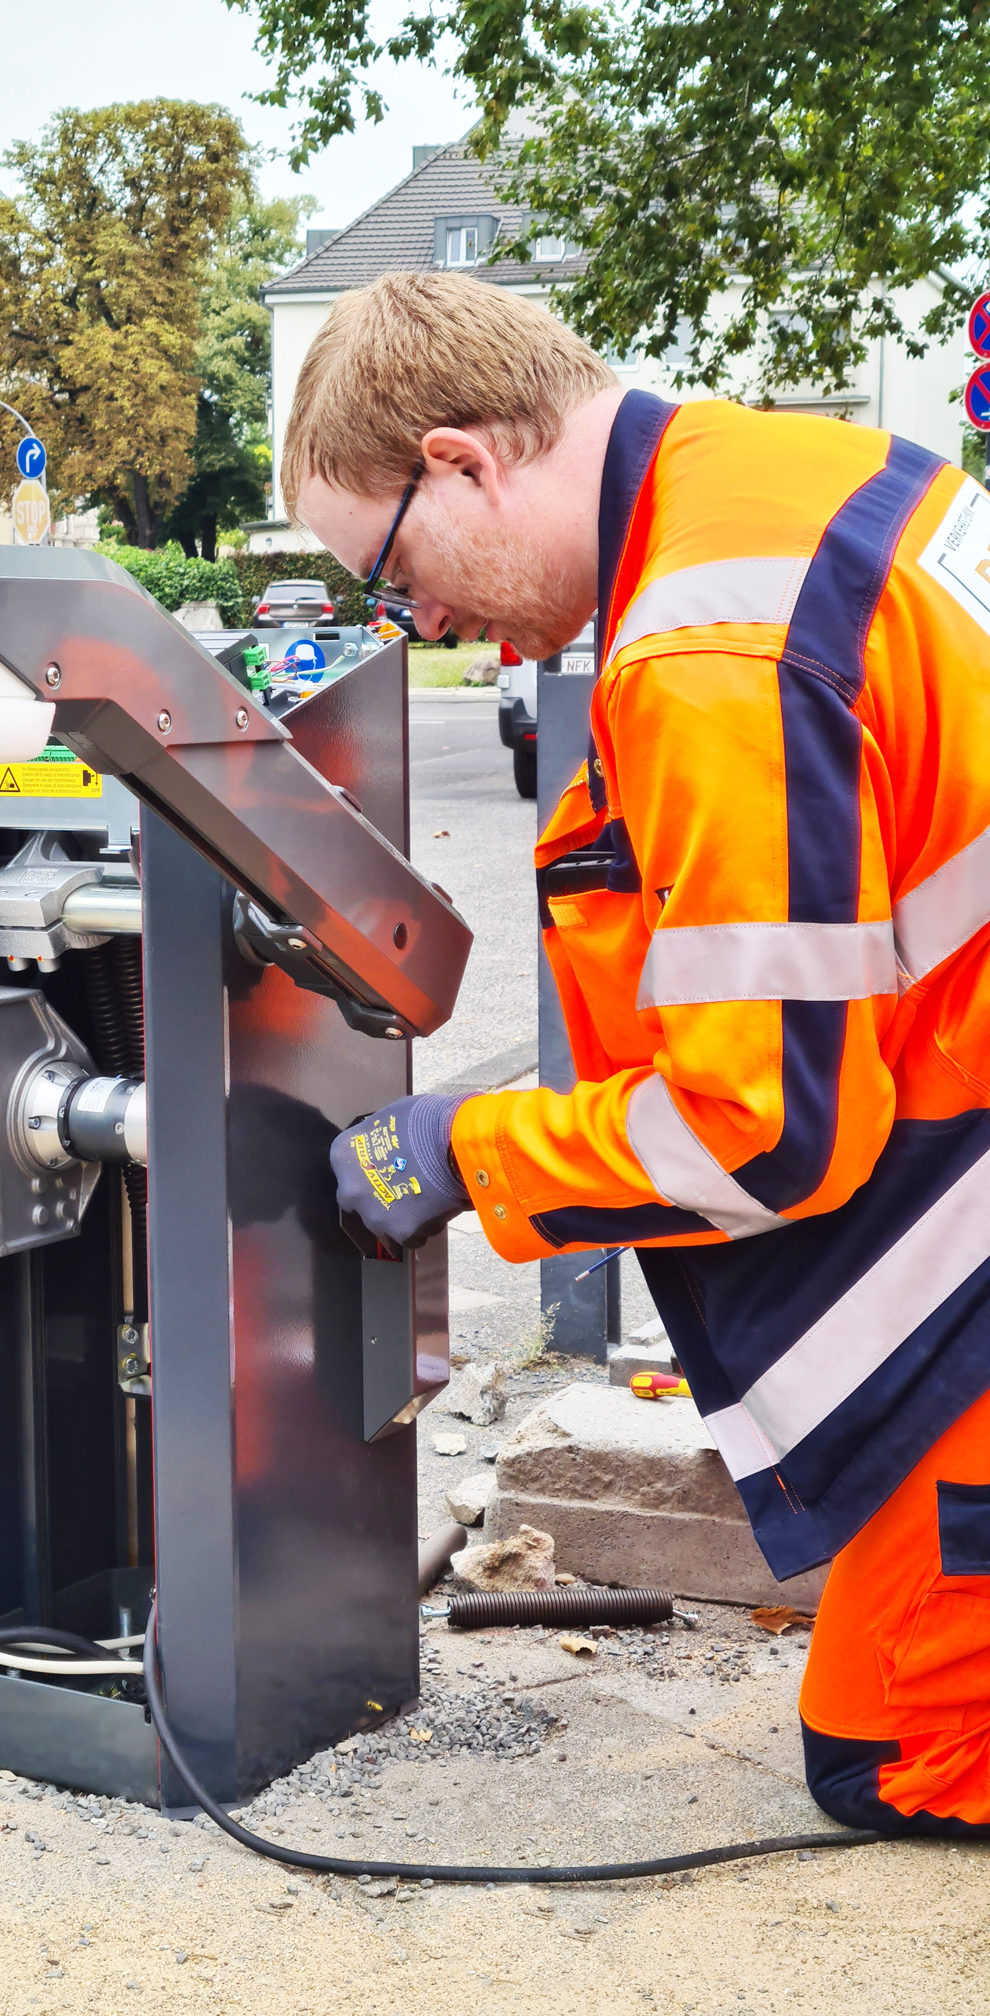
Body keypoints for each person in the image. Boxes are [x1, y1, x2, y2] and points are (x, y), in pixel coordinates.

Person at [311, 270, 990, 1839]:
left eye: (389, 570)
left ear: (464, 458)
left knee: (901, 1754)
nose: (409, 621)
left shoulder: (708, 650)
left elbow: (771, 1135)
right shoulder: (800, 475)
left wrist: (471, 1153)